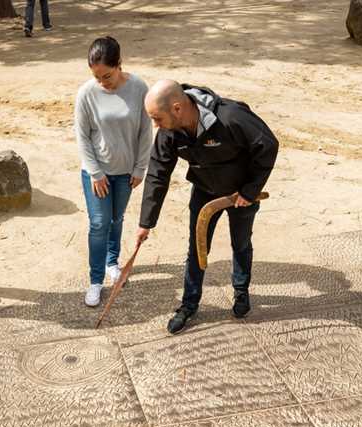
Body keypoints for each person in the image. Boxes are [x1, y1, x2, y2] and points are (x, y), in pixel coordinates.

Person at [136, 80, 278, 334]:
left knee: (241, 243)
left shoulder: (230, 117)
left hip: (241, 194)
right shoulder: (170, 131)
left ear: (177, 108)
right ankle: (189, 305)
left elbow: (267, 144)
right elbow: (158, 173)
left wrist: (250, 190)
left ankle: (241, 292)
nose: (155, 125)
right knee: (197, 247)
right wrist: (146, 222)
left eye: (157, 118)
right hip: (204, 192)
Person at [74, 37, 153, 307]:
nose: (102, 82)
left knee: (116, 219)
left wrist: (141, 167)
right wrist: (95, 173)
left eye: (107, 75)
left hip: (126, 173)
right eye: (96, 76)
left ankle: (112, 262)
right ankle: (96, 280)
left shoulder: (139, 87)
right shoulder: (86, 93)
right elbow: (82, 137)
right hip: (97, 173)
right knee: (99, 224)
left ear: (119, 65)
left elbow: (146, 131)